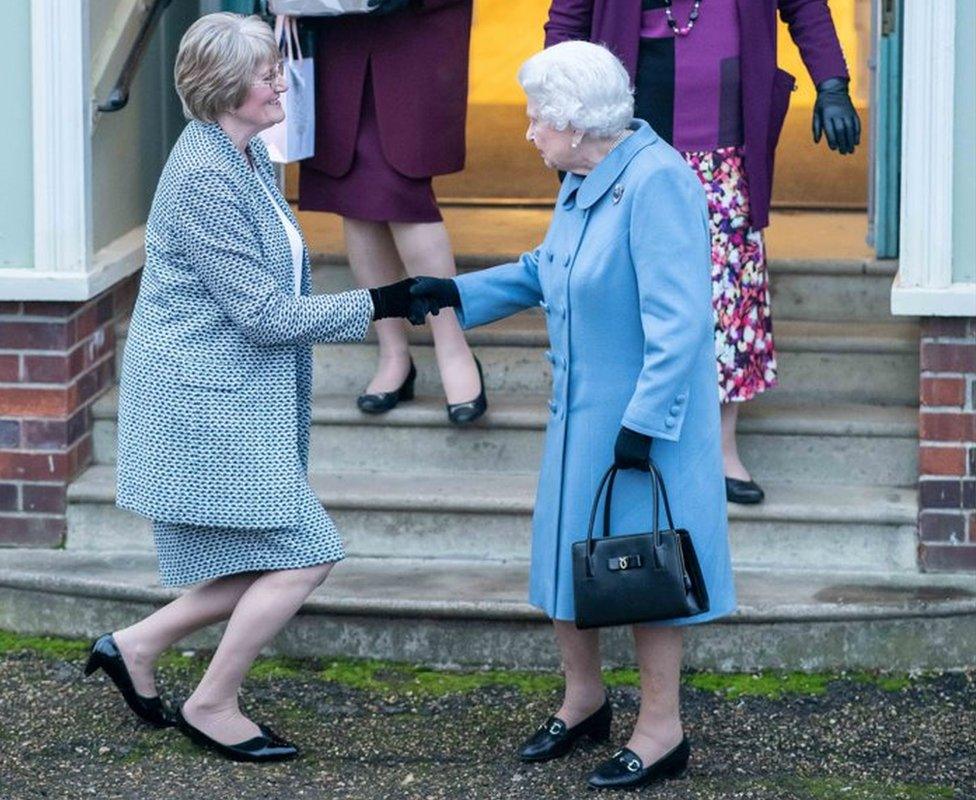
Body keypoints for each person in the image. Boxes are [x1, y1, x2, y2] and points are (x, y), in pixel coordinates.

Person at [84, 13, 423, 763]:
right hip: (202, 397)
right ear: (223, 87)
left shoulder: (243, 155)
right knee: (305, 550)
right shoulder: (206, 175)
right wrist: (381, 302)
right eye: (268, 73)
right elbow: (264, 314)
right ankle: (211, 702)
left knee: (258, 556)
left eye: (277, 69)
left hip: (233, 392)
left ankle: (133, 646)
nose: (282, 81)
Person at [411, 41, 736, 790]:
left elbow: (681, 322)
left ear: (575, 122)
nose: (528, 133)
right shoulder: (582, 177)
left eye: (536, 121)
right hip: (580, 417)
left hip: (643, 427)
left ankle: (662, 730)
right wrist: (454, 291)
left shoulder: (657, 183)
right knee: (570, 558)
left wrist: (644, 425)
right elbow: (545, 269)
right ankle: (584, 700)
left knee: (648, 573)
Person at [544, 0, 861, 504]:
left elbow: (805, 6)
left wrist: (832, 83)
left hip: (726, 148)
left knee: (727, 300)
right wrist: (559, 119)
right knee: (629, 293)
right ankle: (632, 436)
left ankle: (721, 447)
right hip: (627, 144)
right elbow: (567, 21)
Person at [299, 0, 487, 424]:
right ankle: (393, 351)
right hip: (339, 23)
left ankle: (451, 345)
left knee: (403, 186)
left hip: (416, 24)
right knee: (352, 190)